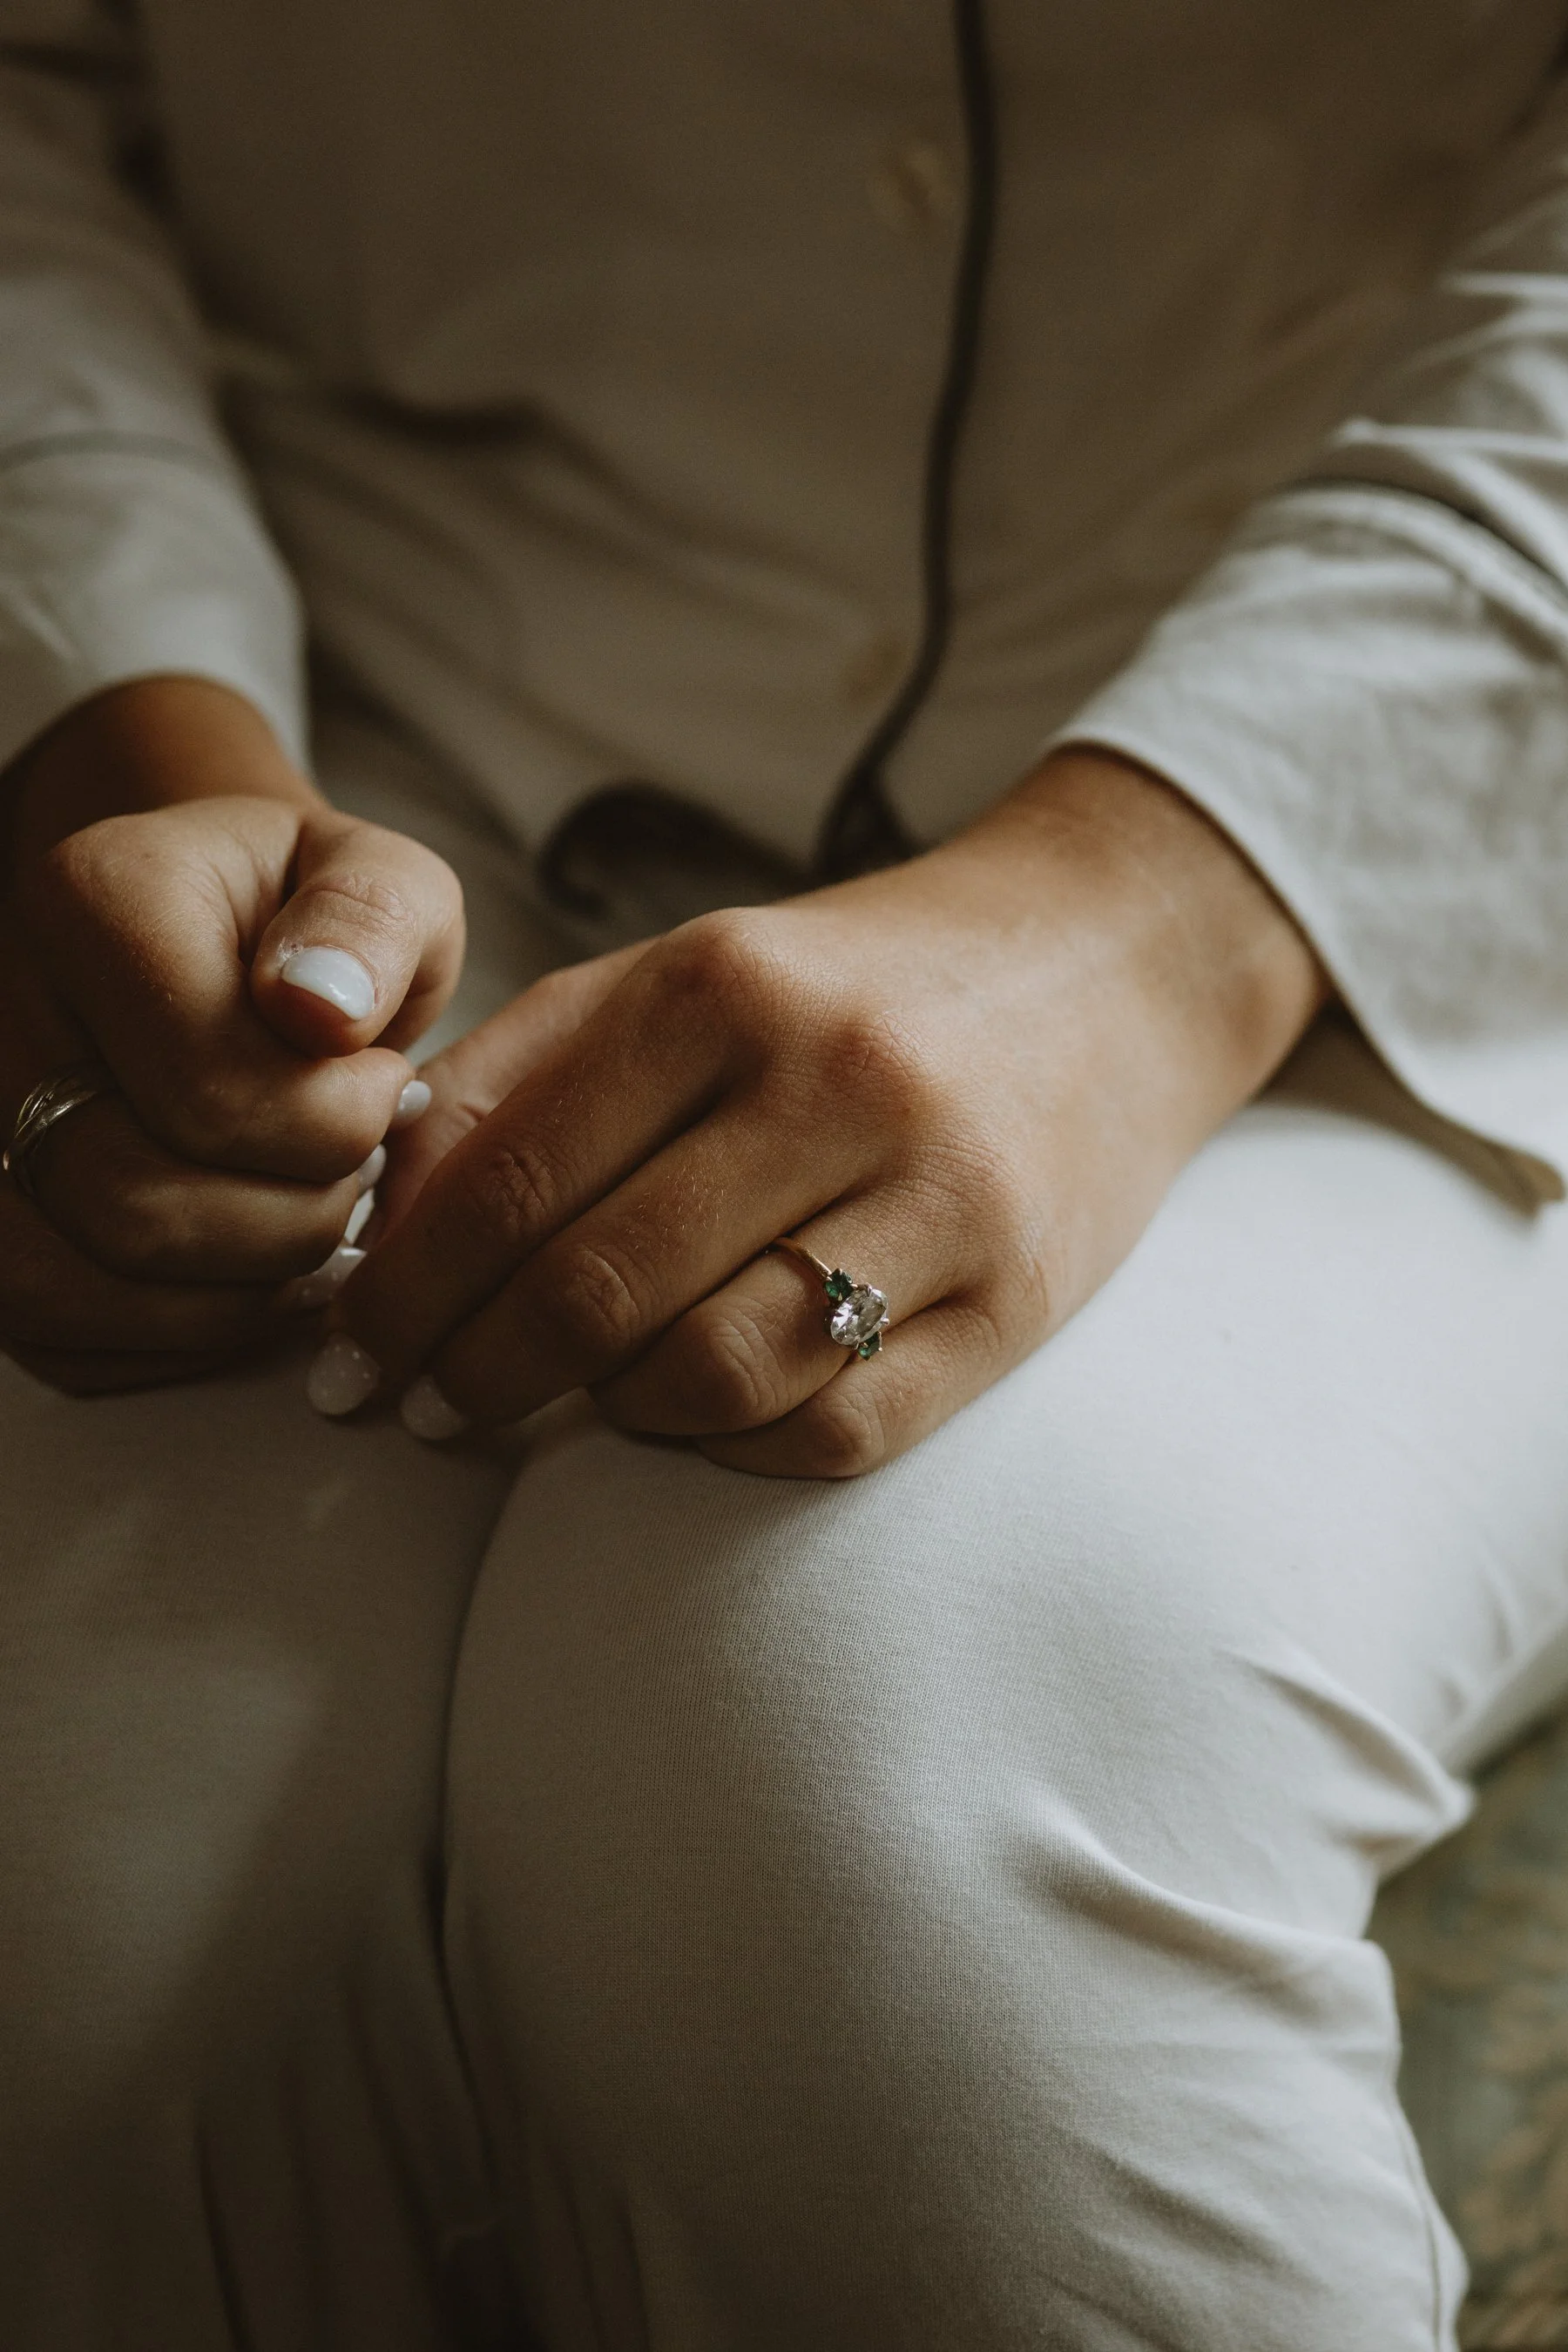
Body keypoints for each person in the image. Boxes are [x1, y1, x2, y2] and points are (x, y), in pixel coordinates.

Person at [3, 3, 1568, 2345]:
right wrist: (123, 737)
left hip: (1420, 872)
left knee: (872, 1822)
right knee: (77, 1905)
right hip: (369, 736)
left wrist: (1158, 911)